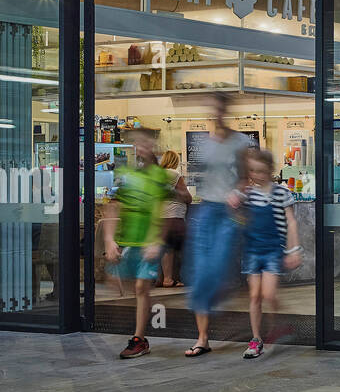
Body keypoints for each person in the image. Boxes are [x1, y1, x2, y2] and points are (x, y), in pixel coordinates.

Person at [185, 93, 252, 357]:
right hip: (206, 208)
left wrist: (238, 193)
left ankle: (218, 295)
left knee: (216, 267)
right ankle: (202, 337)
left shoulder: (241, 142)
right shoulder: (204, 144)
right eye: (213, 109)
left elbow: (246, 178)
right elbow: (199, 177)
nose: (217, 113)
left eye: (221, 108)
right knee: (200, 271)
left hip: (228, 210)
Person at [102, 129, 169, 359]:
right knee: (122, 286)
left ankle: (139, 338)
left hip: (149, 242)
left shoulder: (160, 177)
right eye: (139, 143)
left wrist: (157, 241)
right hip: (128, 241)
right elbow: (112, 207)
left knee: (141, 287)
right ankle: (142, 326)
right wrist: (110, 240)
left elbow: (163, 212)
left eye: (147, 143)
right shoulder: (125, 174)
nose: (142, 147)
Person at [240, 147, 302, 359]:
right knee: (255, 296)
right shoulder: (249, 194)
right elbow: (241, 219)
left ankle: (276, 325)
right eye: (253, 171)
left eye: (261, 171)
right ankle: (256, 339)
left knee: (268, 295)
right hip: (252, 251)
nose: (257, 175)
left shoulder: (282, 193)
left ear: (270, 170)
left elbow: (291, 222)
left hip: (273, 251)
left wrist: (294, 250)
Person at [158, 149, 191, 288]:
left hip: (160, 215)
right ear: (175, 161)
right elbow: (187, 196)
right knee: (170, 249)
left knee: (163, 247)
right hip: (173, 215)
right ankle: (168, 279)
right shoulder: (174, 174)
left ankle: (160, 278)